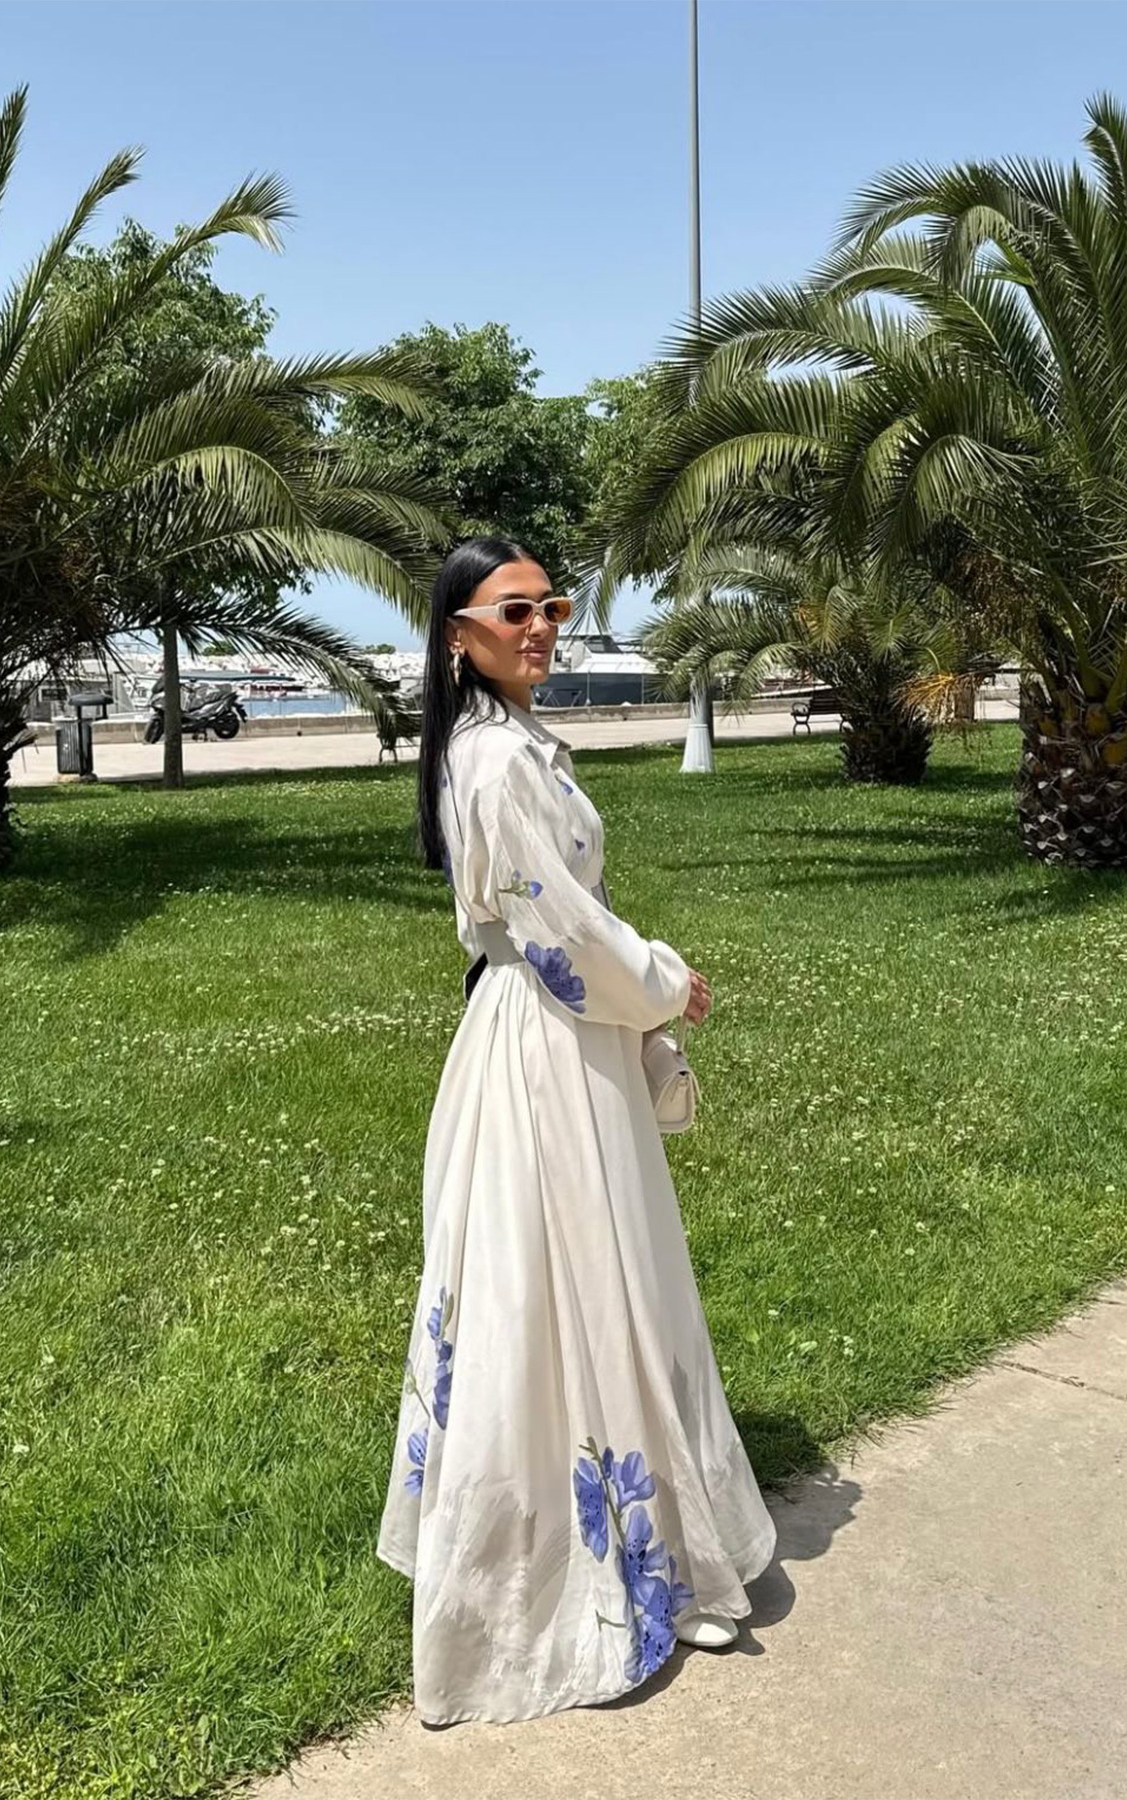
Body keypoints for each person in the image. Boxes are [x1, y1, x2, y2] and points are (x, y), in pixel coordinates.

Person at [376, 536, 776, 1726]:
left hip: (555, 1032)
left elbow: (564, 914)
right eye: (515, 612)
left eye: (549, 605)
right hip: (546, 1042)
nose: (542, 626)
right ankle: (569, 1568)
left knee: (592, 1280)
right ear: (460, 636)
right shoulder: (496, 757)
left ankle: (634, 1542)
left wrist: (636, 983)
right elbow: (557, 926)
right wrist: (661, 980)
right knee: (572, 1281)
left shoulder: (501, 743)